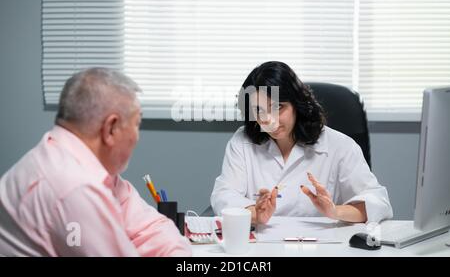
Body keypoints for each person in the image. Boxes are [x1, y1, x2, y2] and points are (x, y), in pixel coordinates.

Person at [0, 68, 191, 256]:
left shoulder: (71, 160)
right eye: (136, 124)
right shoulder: (75, 186)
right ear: (111, 128)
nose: (137, 136)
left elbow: (151, 226)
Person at [211, 61, 393, 225]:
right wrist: (255, 214)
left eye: (278, 107)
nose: (269, 120)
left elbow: (377, 202)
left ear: (297, 104)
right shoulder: (242, 141)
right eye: (259, 110)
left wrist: (335, 211)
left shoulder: (340, 145)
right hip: (261, 245)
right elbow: (224, 195)